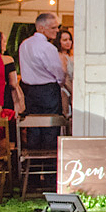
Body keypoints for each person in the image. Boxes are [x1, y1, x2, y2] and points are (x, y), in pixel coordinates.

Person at [18, 12, 65, 149]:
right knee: (50, 127)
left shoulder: (24, 44)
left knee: (34, 127)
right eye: (53, 28)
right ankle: (49, 166)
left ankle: (34, 164)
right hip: (47, 90)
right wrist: (60, 83)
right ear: (41, 28)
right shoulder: (48, 47)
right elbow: (57, 71)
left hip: (29, 90)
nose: (57, 30)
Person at [0, 31, 25, 115]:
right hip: (5, 96)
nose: (5, 44)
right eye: (4, 41)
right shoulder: (7, 59)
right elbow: (13, 83)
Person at [56, 28, 74, 117]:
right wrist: (73, 92)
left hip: (72, 89)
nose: (68, 42)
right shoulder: (59, 56)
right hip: (64, 91)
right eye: (65, 40)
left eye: (70, 39)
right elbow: (64, 77)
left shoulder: (71, 57)